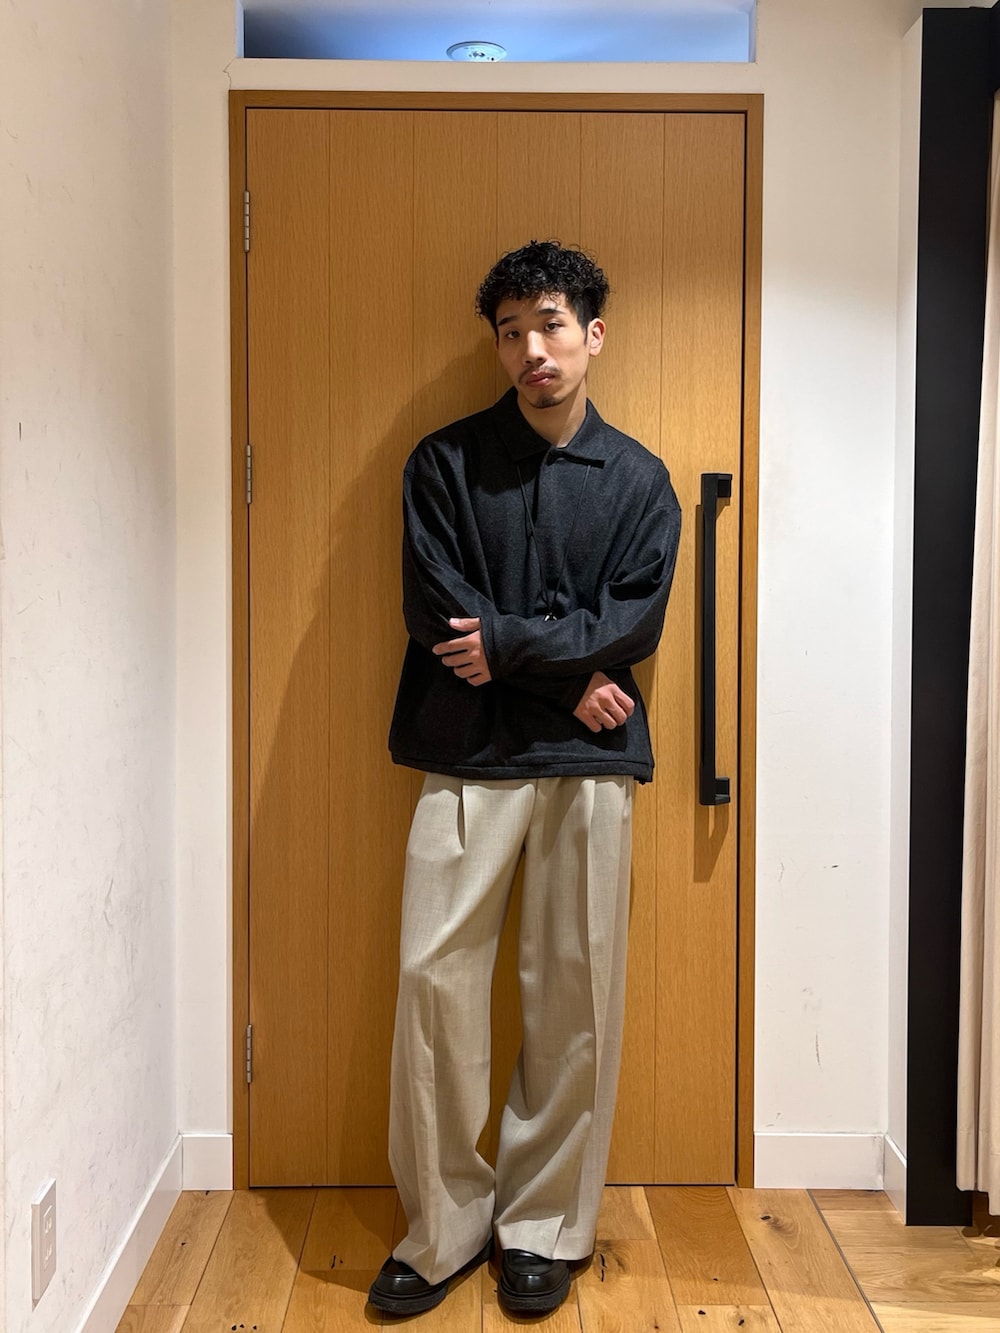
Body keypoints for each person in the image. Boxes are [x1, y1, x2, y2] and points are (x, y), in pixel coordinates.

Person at [368, 240, 681, 1318]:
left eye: (549, 324)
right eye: (510, 331)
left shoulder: (640, 481)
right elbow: (440, 617)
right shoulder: (444, 464)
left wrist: (516, 651)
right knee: (432, 984)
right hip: (468, 755)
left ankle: (542, 1226)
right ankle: (443, 1226)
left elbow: (632, 623)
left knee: (575, 997)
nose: (530, 348)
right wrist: (567, 673)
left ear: (592, 334)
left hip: (590, 766)